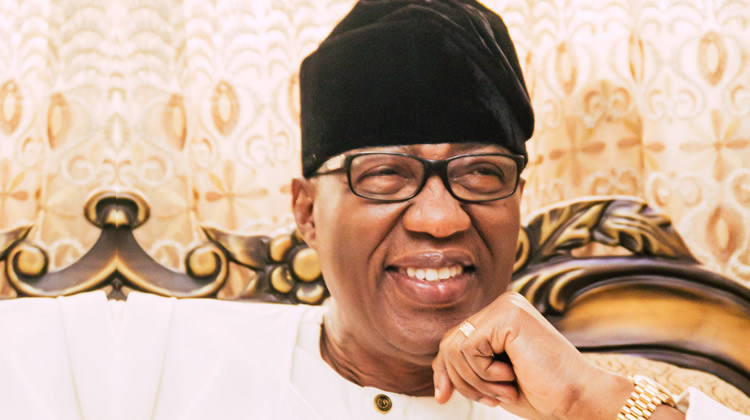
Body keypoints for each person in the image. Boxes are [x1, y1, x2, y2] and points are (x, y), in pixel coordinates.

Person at [0, 1, 747, 419]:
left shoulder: (573, 398)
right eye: (385, 175)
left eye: (481, 173)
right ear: (305, 211)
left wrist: (590, 397)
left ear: (518, 200)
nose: (441, 219)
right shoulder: (159, 351)